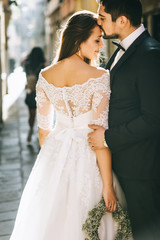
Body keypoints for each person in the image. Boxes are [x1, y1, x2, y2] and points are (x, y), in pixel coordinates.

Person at [9, 11, 129, 240]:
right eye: (96, 40)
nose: (100, 47)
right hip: (90, 157)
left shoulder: (45, 76)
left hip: (55, 155)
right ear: (77, 40)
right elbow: (99, 137)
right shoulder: (100, 76)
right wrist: (107, 186)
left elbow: (43, 131)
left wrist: (54, 163)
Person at [88, 0, 160, 239]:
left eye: (102, 17)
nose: (98, 22)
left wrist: (106, 138)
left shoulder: (150, 54)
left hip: (141, 169)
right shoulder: (121, 49)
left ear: (122, 21)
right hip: (122, 165)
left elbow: (154, 119)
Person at [24, 47, 46, 142]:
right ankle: (40, 134)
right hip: (40, 92)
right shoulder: (42, 65)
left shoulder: (27, 65)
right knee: (42, 115)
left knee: (31, 114)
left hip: (30, 92)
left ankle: (30, 131)